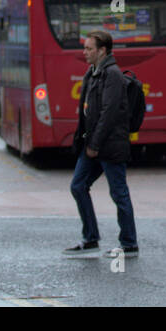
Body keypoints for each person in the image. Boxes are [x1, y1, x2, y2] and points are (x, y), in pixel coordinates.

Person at [65, 30, 138, 257]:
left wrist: (94, 144)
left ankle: (129, 244)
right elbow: (87, 113)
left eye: (89, 48)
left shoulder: (112, 75)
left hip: (110, 144)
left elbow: (109, 113)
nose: (84, 52)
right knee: (78, 186)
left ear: (102, 50)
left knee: (118, 193)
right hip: (93, 143)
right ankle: (90, 238)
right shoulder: (93, 73)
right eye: (85, 48)